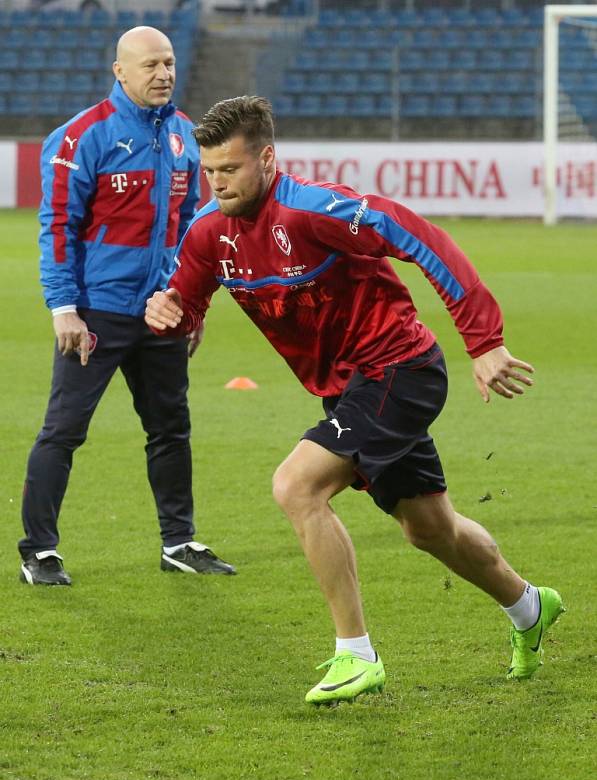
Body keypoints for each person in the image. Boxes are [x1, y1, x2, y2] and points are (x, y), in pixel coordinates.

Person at [144, 96, 565, 704]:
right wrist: (170, 312)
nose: (217, 184)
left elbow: (421, 237)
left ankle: (355, 655)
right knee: (430, 530)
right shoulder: (210, 232)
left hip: (400, 367)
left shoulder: (315, 209)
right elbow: (184, 302)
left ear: (266, 158)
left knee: (297, 485)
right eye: (209, 172)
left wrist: (484, 339)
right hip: (350, 390)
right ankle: (529, 606)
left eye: (229, 170)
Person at [19, 27, 236, 586]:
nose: (163, 74)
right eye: (150, 66)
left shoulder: (187, 136)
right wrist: (63, 305)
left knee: (171, 429)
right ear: (119, 71)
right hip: (97, 312)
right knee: (63, 431)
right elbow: (58, 228)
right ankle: (38, 551)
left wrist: (191, 303)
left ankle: (179, 541)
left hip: (162, 309)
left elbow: (193, 229)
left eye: (168, 63)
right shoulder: (81, 137)